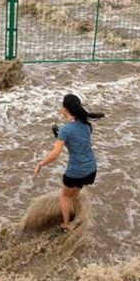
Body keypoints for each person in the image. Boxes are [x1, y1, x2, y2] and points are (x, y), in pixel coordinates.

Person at [34, 94, 104, 232]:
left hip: (76, 172)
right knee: (75, 193)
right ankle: (77, 215)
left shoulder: (65, 130)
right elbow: (77, 141)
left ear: (65, 109)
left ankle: (66, 225)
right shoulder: (86, 125)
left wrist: (40, 164)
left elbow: (55, 154)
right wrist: (60, 135)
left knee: (65, 196)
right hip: (91, 170)